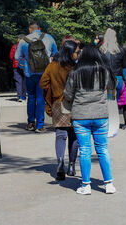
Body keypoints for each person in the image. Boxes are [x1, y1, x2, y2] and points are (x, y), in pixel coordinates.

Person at [63, 44, 117, 195]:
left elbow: (67, 94)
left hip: (80, 116)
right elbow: (113, 86)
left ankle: (85, 185)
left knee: (85, 150)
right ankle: (109, 184)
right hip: (100, 115)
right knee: (103, 149)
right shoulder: (103, 71)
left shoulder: (75, 72)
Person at [40, 39, 80, 180]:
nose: (78, 54)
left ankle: (60, 162)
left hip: (58, 104)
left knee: (60, 135)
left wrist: (51, 94)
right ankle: (72, 166)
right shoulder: (75, 68)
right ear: (70, 53)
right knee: (74, 136)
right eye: (76, 52)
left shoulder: (52, 66)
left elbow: (43, 83)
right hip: (75, 105)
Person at [14, 22, 58, 131]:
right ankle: (40, 125)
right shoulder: (49, 38)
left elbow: (16, 57)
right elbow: (56, 54)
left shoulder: (24, 40)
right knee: (41, 98)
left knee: (31, 98)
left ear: (30, 29)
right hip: (44, 74)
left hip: (29, 74)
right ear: (39, 28)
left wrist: (25, 64)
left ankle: (30, 123)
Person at [99, 28, 126, 99]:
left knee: (109, 105)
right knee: (114, 103)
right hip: (118, 79)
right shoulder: (120, 50)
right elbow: (125, 65)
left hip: (105, 79)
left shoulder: (101, 50)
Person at [10, 34, 26, 102]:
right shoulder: (27, 46)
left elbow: (11, 56)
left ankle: (19, 96)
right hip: (25, 65)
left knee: (18, 81)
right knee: (24, 80)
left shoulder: (15, 46)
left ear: (19, 39)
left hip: (16, 66)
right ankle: (24, 96)